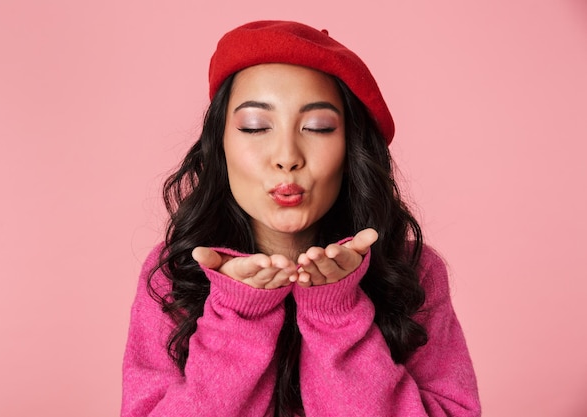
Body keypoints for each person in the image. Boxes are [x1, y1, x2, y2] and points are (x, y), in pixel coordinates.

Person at [121, 20, 481, 417]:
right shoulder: (175, 271)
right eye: (255, 127)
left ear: (351, 148)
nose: (287, 156)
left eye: (318, 127)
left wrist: (337, 312)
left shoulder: (413, 269)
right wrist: (239, 316)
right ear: (219, 146)